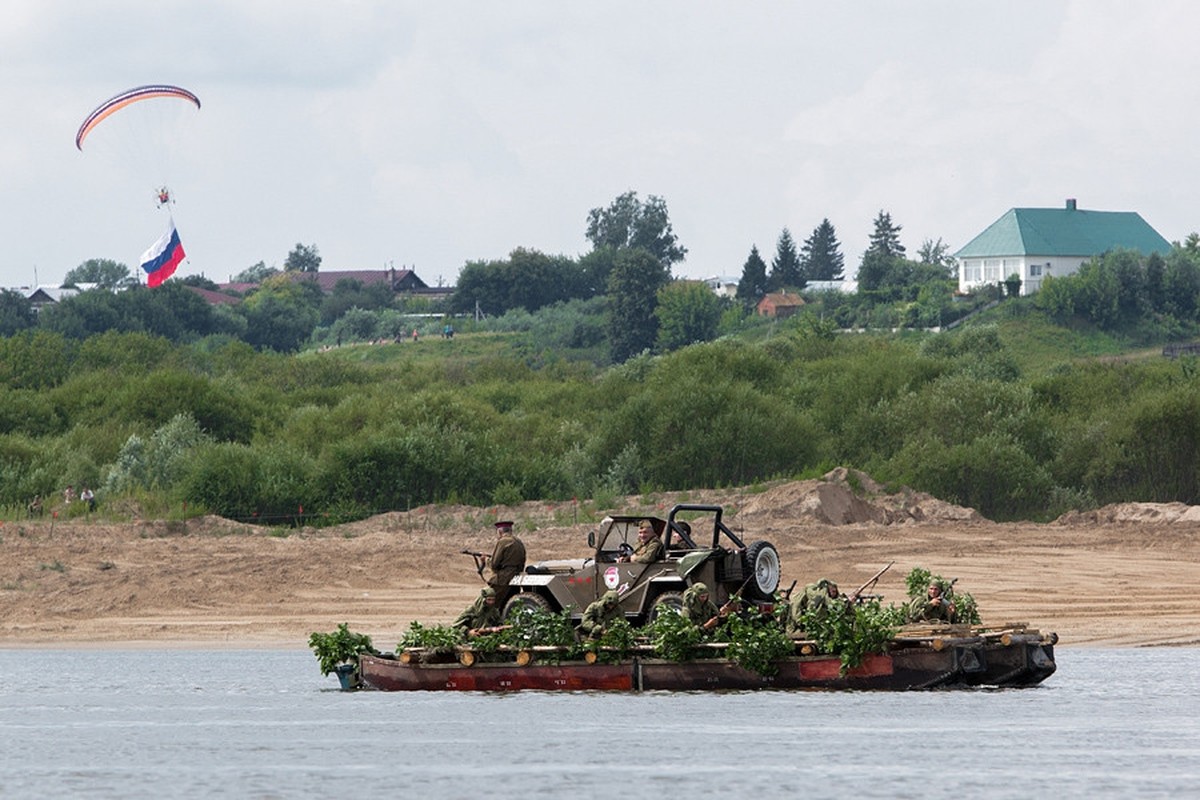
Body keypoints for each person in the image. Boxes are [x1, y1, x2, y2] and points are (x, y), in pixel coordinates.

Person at [482, 520, 526, 604]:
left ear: (500, 531)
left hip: (503, 580)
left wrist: (486, 560)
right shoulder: (518, 542)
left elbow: (494, 564)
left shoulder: (503, 541)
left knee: (488, 602)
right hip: (516, 579)